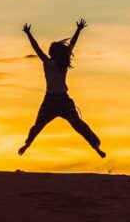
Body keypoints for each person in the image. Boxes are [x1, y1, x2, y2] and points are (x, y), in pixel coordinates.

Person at [18, 19, 106, 158]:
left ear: (52, 52)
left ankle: (27, 144)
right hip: (61, 99)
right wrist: (79, 30)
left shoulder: (48, 62)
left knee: (39, 125)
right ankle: (96, 147)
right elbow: (71, 44)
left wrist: (28, 33)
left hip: (52, 100)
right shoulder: (61, 63)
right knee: (78, 124)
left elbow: (37, 48)